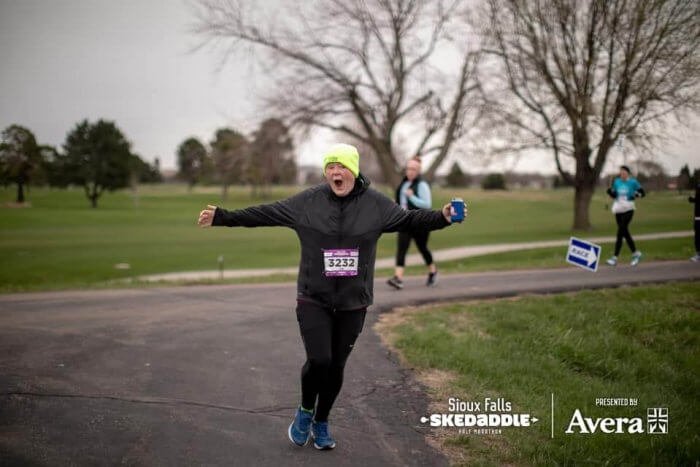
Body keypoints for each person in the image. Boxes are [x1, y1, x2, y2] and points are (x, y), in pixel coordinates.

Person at [197, 143, 465, 451]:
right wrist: (223, 216)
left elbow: (410, 220)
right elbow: (265, 213)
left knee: (336, 366)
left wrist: (443, 216)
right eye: (330, 167)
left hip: (354, 301)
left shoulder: (376, 205)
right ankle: (306, 410)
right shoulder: (307, 202)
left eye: (342, 167)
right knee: (320, 359)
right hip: (314, 296)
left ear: (354, 170)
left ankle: (322, 421)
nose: (335, 172)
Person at [387, 157, 438, 289]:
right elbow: (401, 202)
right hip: (405, 221)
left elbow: (427, 204)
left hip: (420, 222)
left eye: (413, 169)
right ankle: (398, 278)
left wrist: (412, 197)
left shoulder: (422, 185)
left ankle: (433, 271)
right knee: (401, 249)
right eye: (408, 168)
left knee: (423, 248)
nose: (410, 171)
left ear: (418, 170)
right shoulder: (403, 184)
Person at [605, 165, 645, 266]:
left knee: (620, 232)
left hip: (629, 208)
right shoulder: (617, 182)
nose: (622, 174)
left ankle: (614, 257)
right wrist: (610, 192)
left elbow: (642, 193)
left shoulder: (633, 182)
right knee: (625, 232)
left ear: (628, 173)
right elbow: (614, 195)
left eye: (624, 172)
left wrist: (636, 195)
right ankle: (636, 253)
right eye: (621, 172)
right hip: (618, 209)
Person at [689, 181, 700, 262]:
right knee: (697, 238)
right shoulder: (698, 185)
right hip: (697, 218)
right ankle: (698, 254)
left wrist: (694, 199)